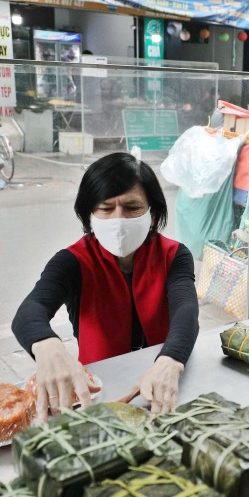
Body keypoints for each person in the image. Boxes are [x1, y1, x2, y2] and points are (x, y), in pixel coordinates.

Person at [13, 153, 198, 419]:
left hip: (164, 378)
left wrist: (171, 361)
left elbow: (186, 309)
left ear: (153, 214)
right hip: (99, 391)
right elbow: (30, 310)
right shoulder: (72, 261)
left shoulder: (174, 255)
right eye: (106, 208)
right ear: (89, 215)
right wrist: (47, 345)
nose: (118, 220)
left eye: (132, 208)